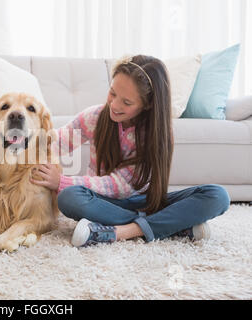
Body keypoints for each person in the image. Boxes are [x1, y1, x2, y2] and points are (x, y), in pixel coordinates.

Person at [31, 55, 230, 247]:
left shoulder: (155, 134)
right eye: (112, 93)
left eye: (127, 102)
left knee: (217, 195)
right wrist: (20, 140)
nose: (114, 105)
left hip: (144, 201)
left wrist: (62, 181)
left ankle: (124, 232)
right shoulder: (95, 117)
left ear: (147, 104)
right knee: (69, 198)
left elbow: (121, 186)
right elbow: (58, 141)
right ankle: (172, 227)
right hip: (102, 202)